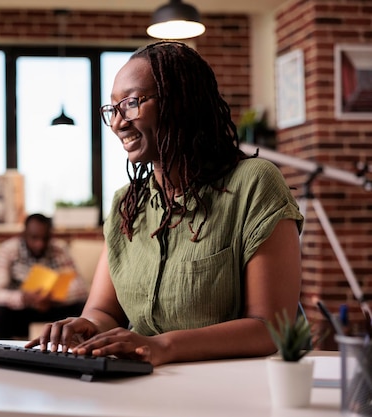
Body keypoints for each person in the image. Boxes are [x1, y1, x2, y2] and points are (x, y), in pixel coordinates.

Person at [26, 41, 304, 366]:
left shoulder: (254, 183)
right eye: (112, 109)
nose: (117, 122)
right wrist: (86, 327)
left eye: (131, 103)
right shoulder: (125, 205)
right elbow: (104, 311)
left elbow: (269, 328)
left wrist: (161, 346)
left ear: (180, 103)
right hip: (142, 385)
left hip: (231, 389)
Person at [0, 213, 89, 339]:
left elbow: (81, 289)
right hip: (23, 311)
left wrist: (51, 298)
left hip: (53, 307)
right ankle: (2, 355)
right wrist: (25, 298)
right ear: (24, 234)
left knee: (84, 307)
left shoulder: (59, 249)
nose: (40, 244)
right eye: (34, 238)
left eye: (45, 239)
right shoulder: (9, 249)